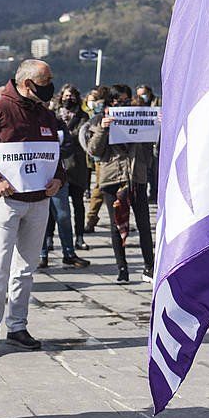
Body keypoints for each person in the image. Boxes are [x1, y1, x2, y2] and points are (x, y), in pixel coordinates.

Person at [0, 60, 65, 358]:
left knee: (25, 269)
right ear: (28, 83)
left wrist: (59, 178)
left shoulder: (46, 113)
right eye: (46, 80)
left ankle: (17, 326)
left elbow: (55, 155)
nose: (51, 85)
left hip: (39, 201)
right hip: (6, 202)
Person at [87, 85, 155, 283]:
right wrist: (103, 129)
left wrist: (157, 126)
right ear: (110, 102)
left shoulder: (139, 116)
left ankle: (149, 266)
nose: (121, 104)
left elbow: (150, 145)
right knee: (117, 225)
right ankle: (122, 268)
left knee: (143, 223)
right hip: (113, 178)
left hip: (136, 177)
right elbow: (93, 150)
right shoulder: (98, 121)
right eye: (117, 101)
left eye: (125, 101)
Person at [41, 84, 90, 269]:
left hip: (58, 174)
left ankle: (69, 252)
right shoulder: (29, 123)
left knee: (63, 215)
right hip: (38, 176)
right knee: (43, 217)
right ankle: (42, 253)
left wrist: (53, 153)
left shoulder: (56, 122)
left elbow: (69, 143)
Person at [83, 85, 109, 234]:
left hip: (105, 152)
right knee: (99, 188)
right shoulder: (98, 112)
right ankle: (91, 218)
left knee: (99, 189)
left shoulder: (103, 109)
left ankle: (91, 218)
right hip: (99, 153)